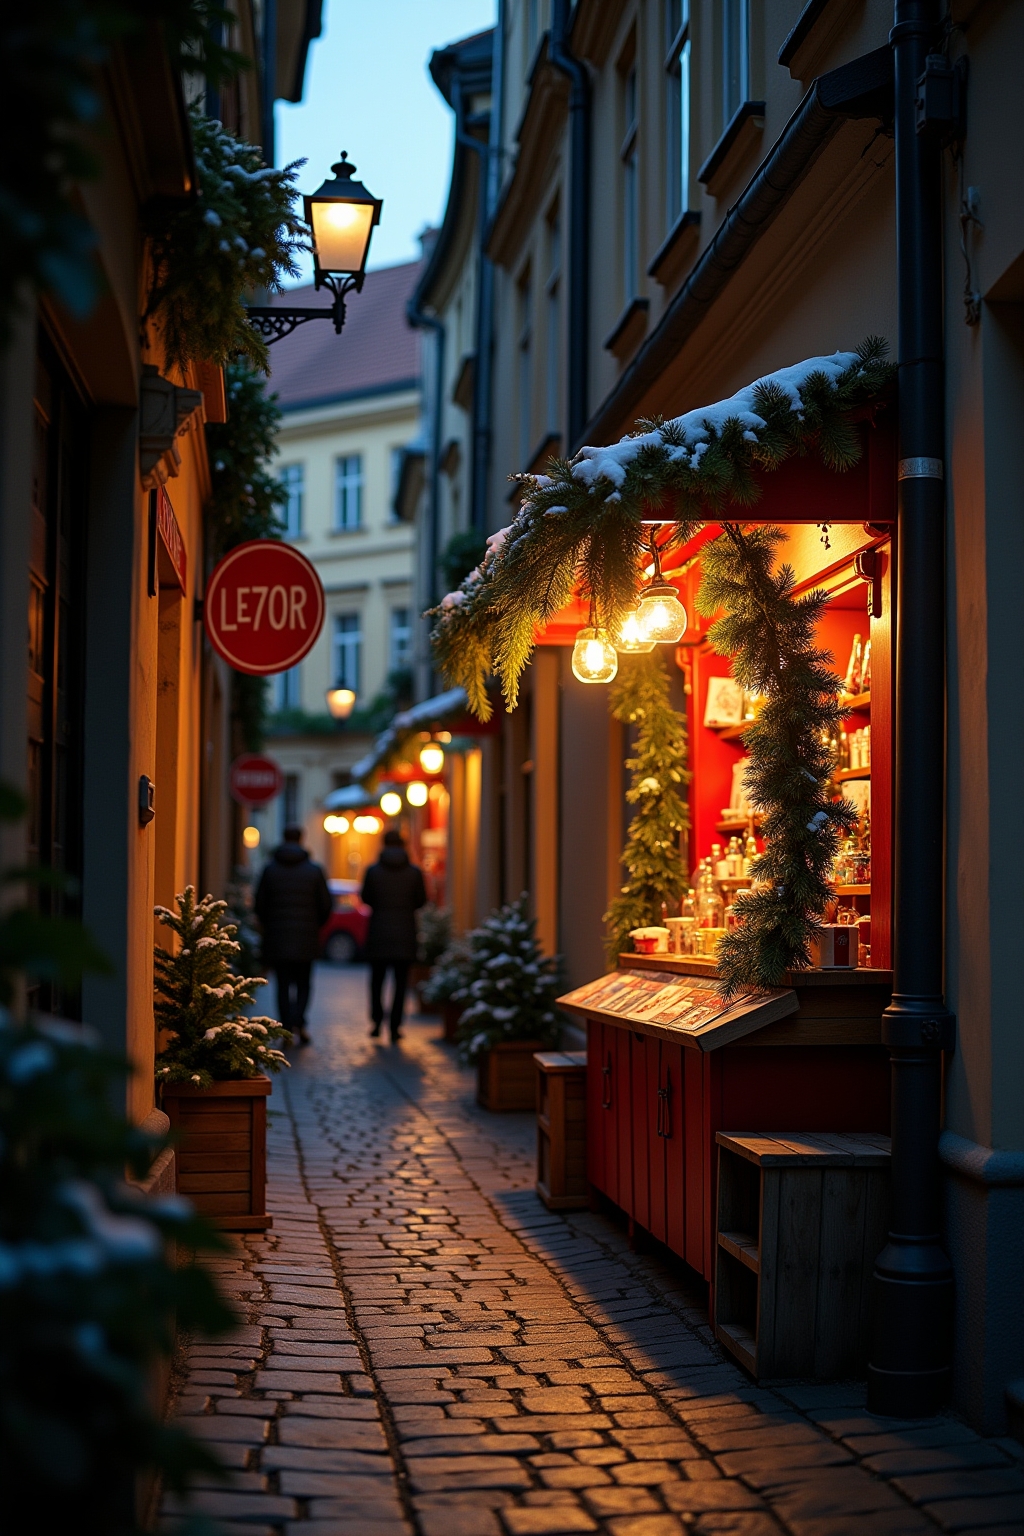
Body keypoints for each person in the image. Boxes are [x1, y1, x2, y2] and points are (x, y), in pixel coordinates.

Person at [254, 824, 332, 1045]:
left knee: (283, 984)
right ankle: (300, 1023)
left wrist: (269, 925)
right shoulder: (314, 871)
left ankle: (287, 1027)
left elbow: (260, 905)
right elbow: (326, 905)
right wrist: (315, 925)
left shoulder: (270, 869)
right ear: (302, 839)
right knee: (304, 984)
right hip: (306, 937)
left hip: (278, 937)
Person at [360, 830, 427, 1042]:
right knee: (400, 983)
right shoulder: (414, 873)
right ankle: (396, 1026)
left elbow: (365, 897)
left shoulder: (373, 871)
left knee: (377, 981)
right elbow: (421, 900)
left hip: (379, 931)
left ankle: (377, 1022)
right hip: (405, 933)